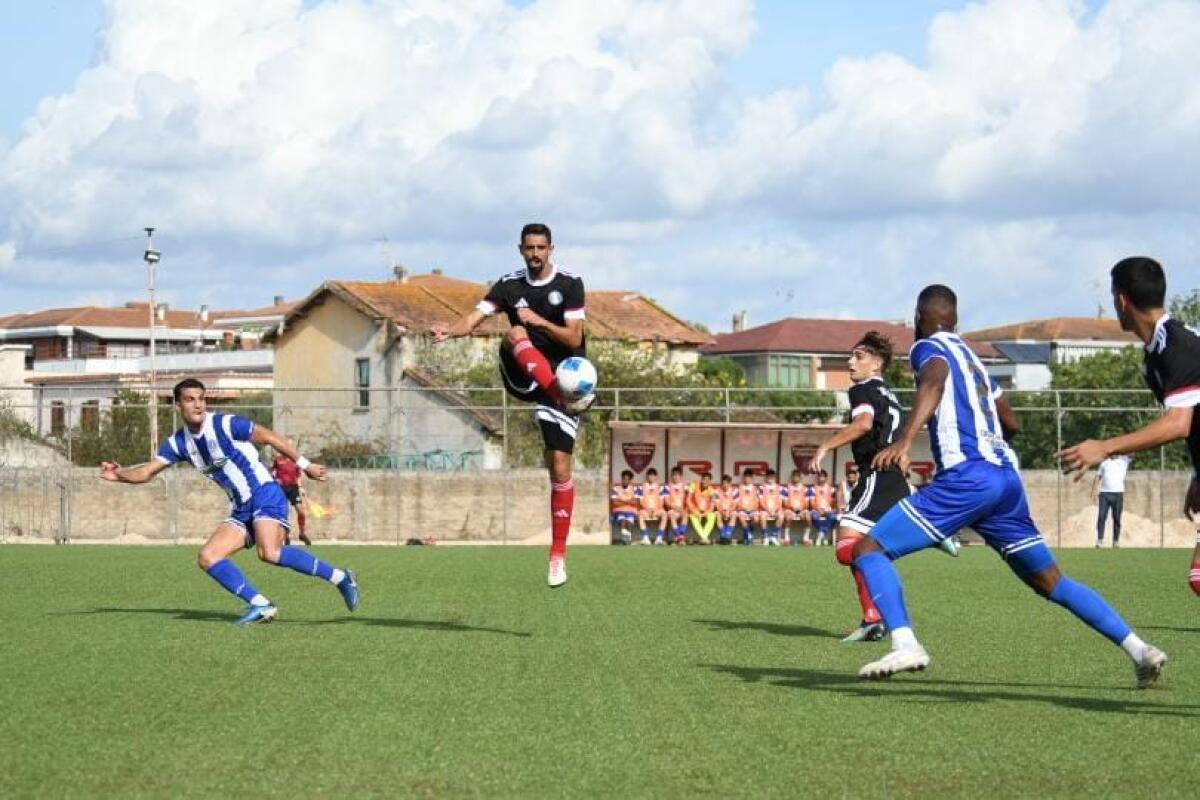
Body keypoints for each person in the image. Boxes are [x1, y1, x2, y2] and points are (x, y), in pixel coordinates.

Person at [851, 285, 1165, 688]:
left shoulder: (927, 349)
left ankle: (905, 641)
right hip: (1006, 480)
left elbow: (934, 379)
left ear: (919, 317)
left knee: (869, 549)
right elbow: (1011, 421)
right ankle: (1140, 650)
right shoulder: (977, 363)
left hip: (968, 478)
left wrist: (905, 439)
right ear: (956, 319)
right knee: (1052, 581)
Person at [99, 379, 359, 625]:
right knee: (208, 557)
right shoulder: (178, 443)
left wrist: (306, 465)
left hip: (264, 492)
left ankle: (340, 578)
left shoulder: (224, 424)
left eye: (201, 398)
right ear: (177, 406)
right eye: (190, 400)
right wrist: (119, 474)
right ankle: (261, 605)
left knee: (269, 552)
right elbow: (146, 472)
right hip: (241, 506)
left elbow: (269, 437)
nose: (198, 404)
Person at [430, 223, 592, 588]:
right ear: (520, 249)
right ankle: (562, 397)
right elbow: (474, 317)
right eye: (529, 248)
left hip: (563, 375)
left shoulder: (570, 284)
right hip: (524, 373)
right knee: (514, 332)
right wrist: (451, 331)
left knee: (560, 468)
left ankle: (557, 556)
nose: (535, 254)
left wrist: (540, 322)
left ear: (551, 249)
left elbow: (574, 336)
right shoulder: (509, 285)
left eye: (541, 248)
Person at [1060, 257, 1200, 594]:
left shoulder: (1176, 346)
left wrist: (1105, 447)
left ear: (1121, 299)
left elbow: (1178, 424)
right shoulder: (1158, 352)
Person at [809, 331, 912, 642]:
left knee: (845, 550)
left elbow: (863, 424)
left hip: (877, 476)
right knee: (865, 550)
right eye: (850, 357)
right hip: (893, 477)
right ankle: (872, 618)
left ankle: (936, 534)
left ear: (877, 364)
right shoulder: (890, 395)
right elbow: (898, 441)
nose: (850, 363)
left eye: (859, 357)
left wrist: (825, 446)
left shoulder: (862, 390)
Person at [271, 453, 312, 546]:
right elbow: (272, 471)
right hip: (281, 489)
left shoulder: (295, 460)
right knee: (284, 513)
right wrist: (274, 479)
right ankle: (286, 536)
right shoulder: (277, 459)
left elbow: (298, 476)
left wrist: (301, 487)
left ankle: (302, 534)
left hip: (293, 488)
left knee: (301, 511)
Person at [1092, 455, 1132, 548]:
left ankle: (1116, 541)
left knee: (1117, 518)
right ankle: (1100, 540)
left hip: (1118, 494)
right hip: (1105, 494)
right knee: (1101, 517)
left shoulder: (1124, 460)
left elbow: (1133, 451)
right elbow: (1098, 476)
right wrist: (1094, 489)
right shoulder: (1104, 462)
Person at [636, 468, 667, 545]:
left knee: (664, 514)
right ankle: (645, 538)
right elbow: (640, 501)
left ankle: (659, 538)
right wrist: (647, 509)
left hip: (657, 510)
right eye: (650, 475)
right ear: (647, 476)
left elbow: (662, 501)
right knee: (640, 514)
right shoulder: (641, 487)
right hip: (646, 510)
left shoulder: (661, 487)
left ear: (656, 477)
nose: (651, 477)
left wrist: (655, 510)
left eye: (653, 475)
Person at [686, 472, 719, 545]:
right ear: (701, 480)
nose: (705, 482)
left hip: (705, 511)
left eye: (707, 480)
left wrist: (705, 514)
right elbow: (688, 500)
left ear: (710, 482)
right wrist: (694, 511)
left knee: (712, 516)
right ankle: (704, 538)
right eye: (704, 479)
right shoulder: (693, 485)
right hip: (694, 510)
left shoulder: (712, 491)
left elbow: (712, 506)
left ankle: (703, 537)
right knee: (692, 516)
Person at [808, 470, 836, 546]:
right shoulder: (813, 489)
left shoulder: (832, 489)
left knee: (833, 516)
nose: (821, 478)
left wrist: (830, 509)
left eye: (823, 476)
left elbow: (834, 503)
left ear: (826, 478)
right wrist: (818, 509)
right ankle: (824, 534)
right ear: (817, 478)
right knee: (814, 517)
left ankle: (821, 534)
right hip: (817, 510)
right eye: (820, 476)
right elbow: (812, 502)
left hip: (828, 510)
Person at [610, 469, 638, 545]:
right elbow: (614, 502)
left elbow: (636, 502)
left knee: (629, 521)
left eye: (627, 479)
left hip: (631, 511)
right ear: (621, 479)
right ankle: (625, 538)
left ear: (630, 481)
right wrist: (628, 501)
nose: (625, 481)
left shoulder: (635, 489)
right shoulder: (615, 489)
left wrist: (621, 501)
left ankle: (627, 539)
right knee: (622, 519)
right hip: (619, 510)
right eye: (623, 479)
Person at [782, 469, 809, 546]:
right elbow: (784, 502)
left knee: (808, 517)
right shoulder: (786, 488)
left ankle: (806, 538)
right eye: (794, 476)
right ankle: (786, 538)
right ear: (791, 477)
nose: (796, 478)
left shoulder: (805, 489)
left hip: (802, 510)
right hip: (790, 509)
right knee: (787, 517)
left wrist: (801, 507)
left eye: (797, 476)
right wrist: (792, 507)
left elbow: (807, 503)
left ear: (800, 478)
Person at [758, 469, 785, 546]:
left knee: (781, 516)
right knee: (762, 516)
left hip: (776, 509)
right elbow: (761, 501)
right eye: (768, 476)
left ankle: (774, 536)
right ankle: (765, 537)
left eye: (772, 476)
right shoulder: (761, 487)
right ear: (766, 477)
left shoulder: (780, 488)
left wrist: (774, 509)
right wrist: (768, 509)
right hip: (765, 509)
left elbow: (780, 501)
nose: (770, 478)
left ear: (774, 477)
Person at [735, 468, 761, 545]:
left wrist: (752, 508)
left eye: (749, 477)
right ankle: (749, 536)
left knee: (756, 519)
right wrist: (742, 508)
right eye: (745, 477)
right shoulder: (739, 488)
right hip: (742, 510)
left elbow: (758, 501)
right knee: (742, 518)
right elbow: (736, 501)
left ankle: (748, 534)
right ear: (743, 477)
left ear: (751, 478)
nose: (747, 479)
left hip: (753, 509)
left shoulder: (755, 488)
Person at [664, 467, 689, 545]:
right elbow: (666, 501)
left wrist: (683, 508)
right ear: (671, 476)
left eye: (677, 475)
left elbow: (689, 499)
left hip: (681, 509)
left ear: (680, 476)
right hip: (672, 509)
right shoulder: (667, 487)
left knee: (686, 514)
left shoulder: (685, 486)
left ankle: (680, 535)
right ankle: (679, 536)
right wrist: (674, 507)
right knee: (672, 515)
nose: (675, 477)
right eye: (674, 475)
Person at [715, 474, 739, 545]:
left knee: (734, 514)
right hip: (721, 510)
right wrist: (722, 512)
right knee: (718, 515)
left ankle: (727, 536)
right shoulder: (717, 491)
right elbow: (717, 504)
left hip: (730, 510)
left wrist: (728, 511)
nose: (725, 485)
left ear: (730, 483)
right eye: (723, 483)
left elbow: (735, 504)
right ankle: (723, 535)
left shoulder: (735, 491)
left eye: (727, 483)